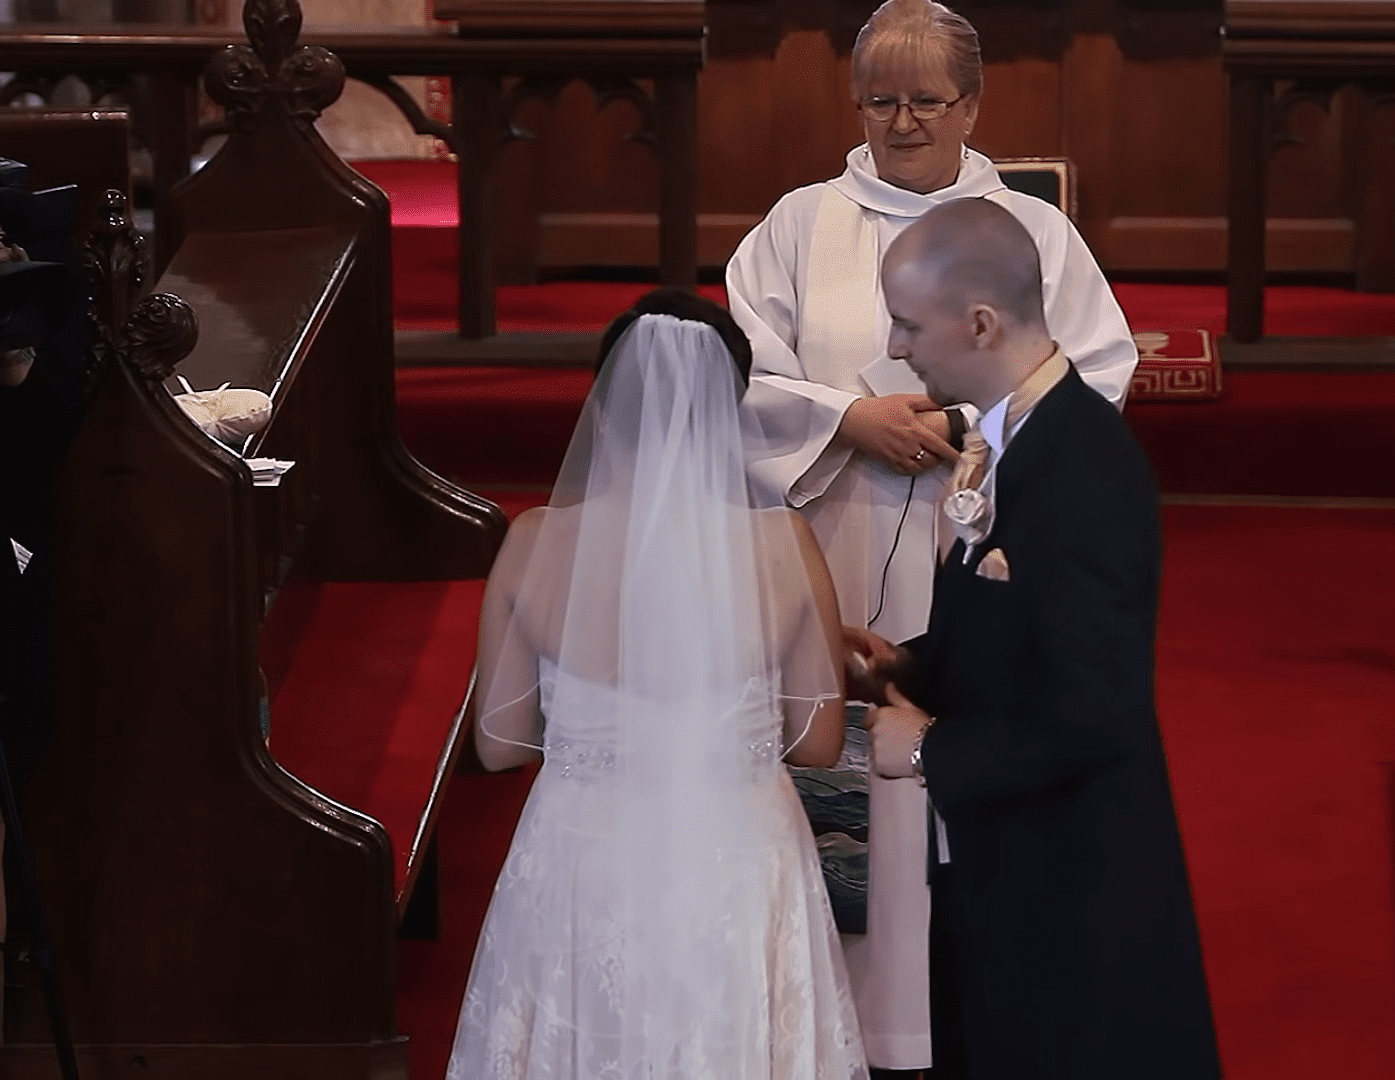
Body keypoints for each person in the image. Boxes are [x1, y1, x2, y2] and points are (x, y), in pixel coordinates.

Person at [725, 3, 1138, 1071]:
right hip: (834, 533)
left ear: (972, 103)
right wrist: (844, 420)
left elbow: (1095, 372)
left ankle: (946, 1006)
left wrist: (967, 426)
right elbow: (738, 371)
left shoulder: (1032, 232)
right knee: (835, 798)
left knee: (949, 811)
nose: (902, 123)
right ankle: (835, 1015)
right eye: (880, 100)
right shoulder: (797, 224)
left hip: (977, 548)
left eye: (926, 101)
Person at [447, 289, 870, 1079]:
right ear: (729, 412)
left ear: (603, 407)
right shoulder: (783, 545)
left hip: (583, 849)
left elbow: (499, 747)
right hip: (737, 850)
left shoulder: (534, 540)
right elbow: (816, 742)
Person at [862, 196, 1220, 1080]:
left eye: (908, 324)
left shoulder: (1083, 464)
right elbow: (1017, 639)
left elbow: (1095, 711)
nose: (897, 347)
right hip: (1005, 854)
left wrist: (929, 752)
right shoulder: (1006, 436)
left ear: (979, 322)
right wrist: (900, 664)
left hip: (1071, 879)